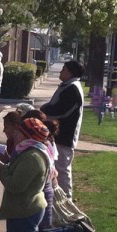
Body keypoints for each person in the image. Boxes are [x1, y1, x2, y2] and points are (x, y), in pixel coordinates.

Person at [0, 118, 90, 232]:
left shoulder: (32, 157)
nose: (14, 134)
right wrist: (5, 166)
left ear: (27, 136)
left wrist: (0, 170)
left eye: (18, 131)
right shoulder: (27, 151)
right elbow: (16, 175)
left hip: (24, 210)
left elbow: (15, 185)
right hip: (24, 209)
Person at [40, 60, 85, 200]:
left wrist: (44, 109)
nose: (60, 71)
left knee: (62, 170)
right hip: (58, 135)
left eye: (63, 69)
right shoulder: (67, 86)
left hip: (65, 136)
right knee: (56, 168)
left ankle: (66, 200)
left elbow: (62, 111)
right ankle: (56, 199)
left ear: (70, 72)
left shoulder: (73, 88)